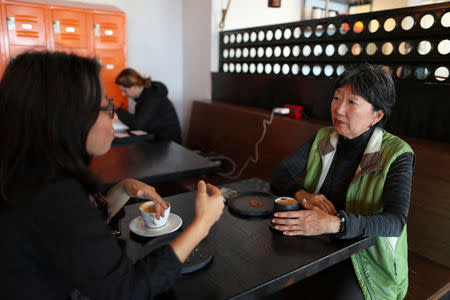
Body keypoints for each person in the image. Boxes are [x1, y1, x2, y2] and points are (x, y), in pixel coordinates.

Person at [0, 52, 224, 299]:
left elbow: (78, 235)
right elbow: (128, 290)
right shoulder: (54, 193)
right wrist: (204, 222)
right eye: (107, 106)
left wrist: (122, 189)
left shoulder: (28, 173)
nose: (115, 115)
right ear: (69, 116)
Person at [270, 64, 414, 299]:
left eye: (352, 102)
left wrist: (333, 224)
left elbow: (395, 221)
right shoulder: (326, 138)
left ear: (377, 116)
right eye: (337, 98)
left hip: (366, 261)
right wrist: (304, 195)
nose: (338, 109)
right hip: (317, 244)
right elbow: (280, 173)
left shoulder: (396, 153)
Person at [115, 68, 182, 143]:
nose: (123, 94)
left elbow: (137, 124)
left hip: (168, 143)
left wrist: (118, 110)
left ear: (134, 87)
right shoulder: (146, 95)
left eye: (124, 90)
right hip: (158, 138)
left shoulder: (152, 97)